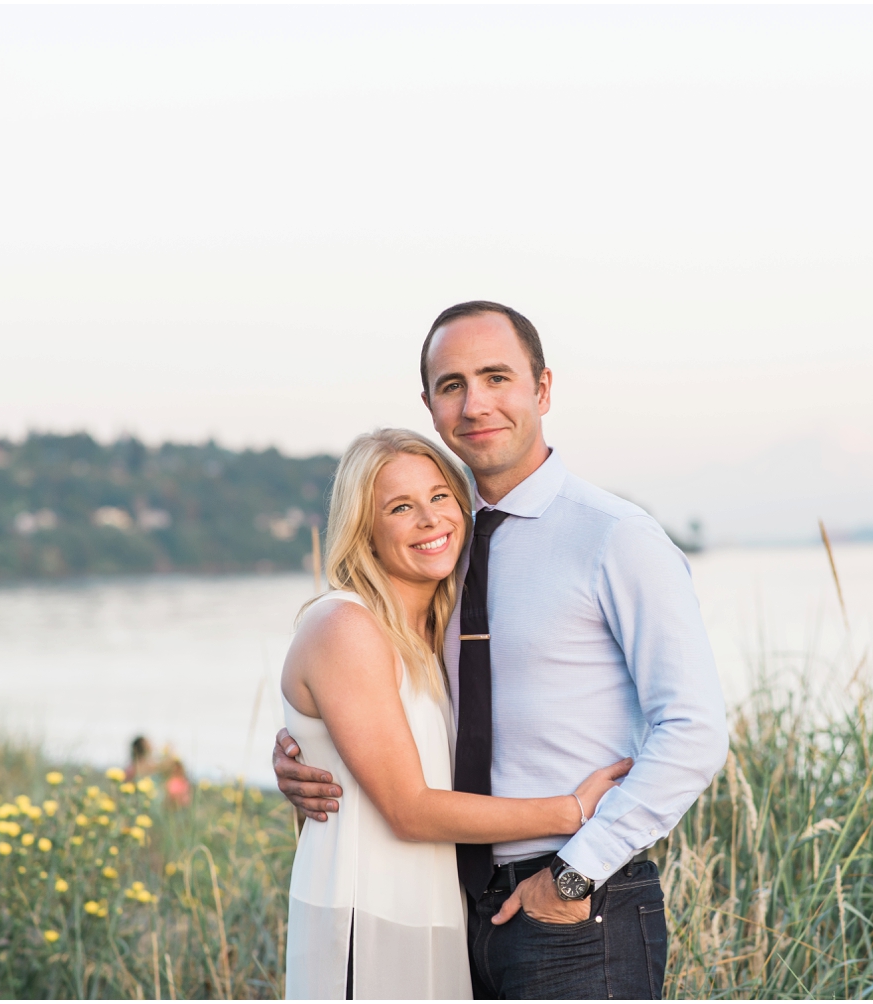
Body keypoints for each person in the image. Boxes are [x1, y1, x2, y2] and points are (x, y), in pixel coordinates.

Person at [275, 302, 729, 999]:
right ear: (429, 405)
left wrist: (576, 871)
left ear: (542, 389)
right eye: (452, 384)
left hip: (578, 907)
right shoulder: (439, 555)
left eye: (496, 377)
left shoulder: (615, 538)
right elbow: (382, 694)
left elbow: (695, 731)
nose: (475, 402)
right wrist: (307, 750)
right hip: (456, 906)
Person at [281, 427, 632, 1000]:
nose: (429, 519)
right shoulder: (345, 626)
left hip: (435, 915)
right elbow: (409, 810)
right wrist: (569, 812)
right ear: (363, 529)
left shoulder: (436, 634)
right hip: (363, 917)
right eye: (400, 507)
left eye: (440, 496)